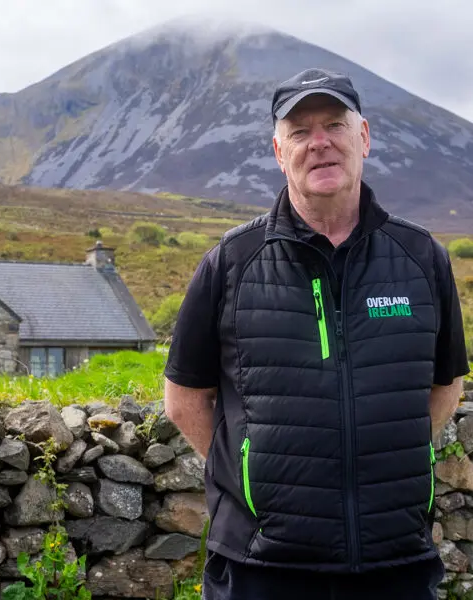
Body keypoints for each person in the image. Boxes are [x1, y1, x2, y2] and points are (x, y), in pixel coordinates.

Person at [163, 68, 470, 600]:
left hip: (394, 560)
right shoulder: (231, 263)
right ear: (279, 152)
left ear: (364, 137)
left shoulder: (422, 258)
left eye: (334, 125)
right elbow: (184, 399)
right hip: (261, 568)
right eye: (300, 132)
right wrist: (250, 484)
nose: (319, 142)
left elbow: (446, 385)